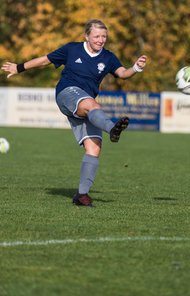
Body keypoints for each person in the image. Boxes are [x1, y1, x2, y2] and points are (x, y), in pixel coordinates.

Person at [1, 19, 147, 207]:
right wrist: (18, 67)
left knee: (94, 148)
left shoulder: (108, 57)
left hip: (85, 106)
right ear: (86, 36)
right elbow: (45, 60)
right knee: (93, 106)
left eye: (104, 36)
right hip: (67, 93)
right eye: (96, 36)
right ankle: (112, 128)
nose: (101, 40)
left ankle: (81, 195)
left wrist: (136, 68)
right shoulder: (72, 49)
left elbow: (123, 73)